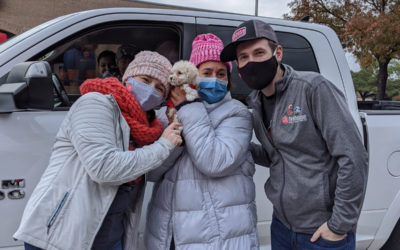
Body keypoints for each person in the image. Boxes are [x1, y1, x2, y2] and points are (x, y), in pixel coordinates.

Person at [220, 19, 369, 250]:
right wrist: (237, 146)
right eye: (244, 57)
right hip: (281, 228)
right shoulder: (255, 102)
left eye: (259, 52)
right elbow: (276, 156)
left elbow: (353, 157)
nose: (251, 62)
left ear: (277, 53)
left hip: (321, 233)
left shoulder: (313, 88)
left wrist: (339, 225)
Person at [13, 51, 183, 250]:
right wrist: (163, 145)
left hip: (110, 236)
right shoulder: (97, 103)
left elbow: (149, 169)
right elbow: (104, 169)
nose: (150, 90)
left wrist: (176, 138)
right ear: (128, 77)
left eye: (159, 88)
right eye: (145, 80)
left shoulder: (146, 128)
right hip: (63, 235)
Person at [145, 33, 259, 250]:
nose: (214, 79)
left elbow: (215, 162)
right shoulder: (167, 114)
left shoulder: (237, 113)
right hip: (170, 232)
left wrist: (189, 109)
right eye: (206, 72)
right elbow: (151, 172)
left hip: (217, 235)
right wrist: (177, 137)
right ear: (192, 76)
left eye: (221, 74)